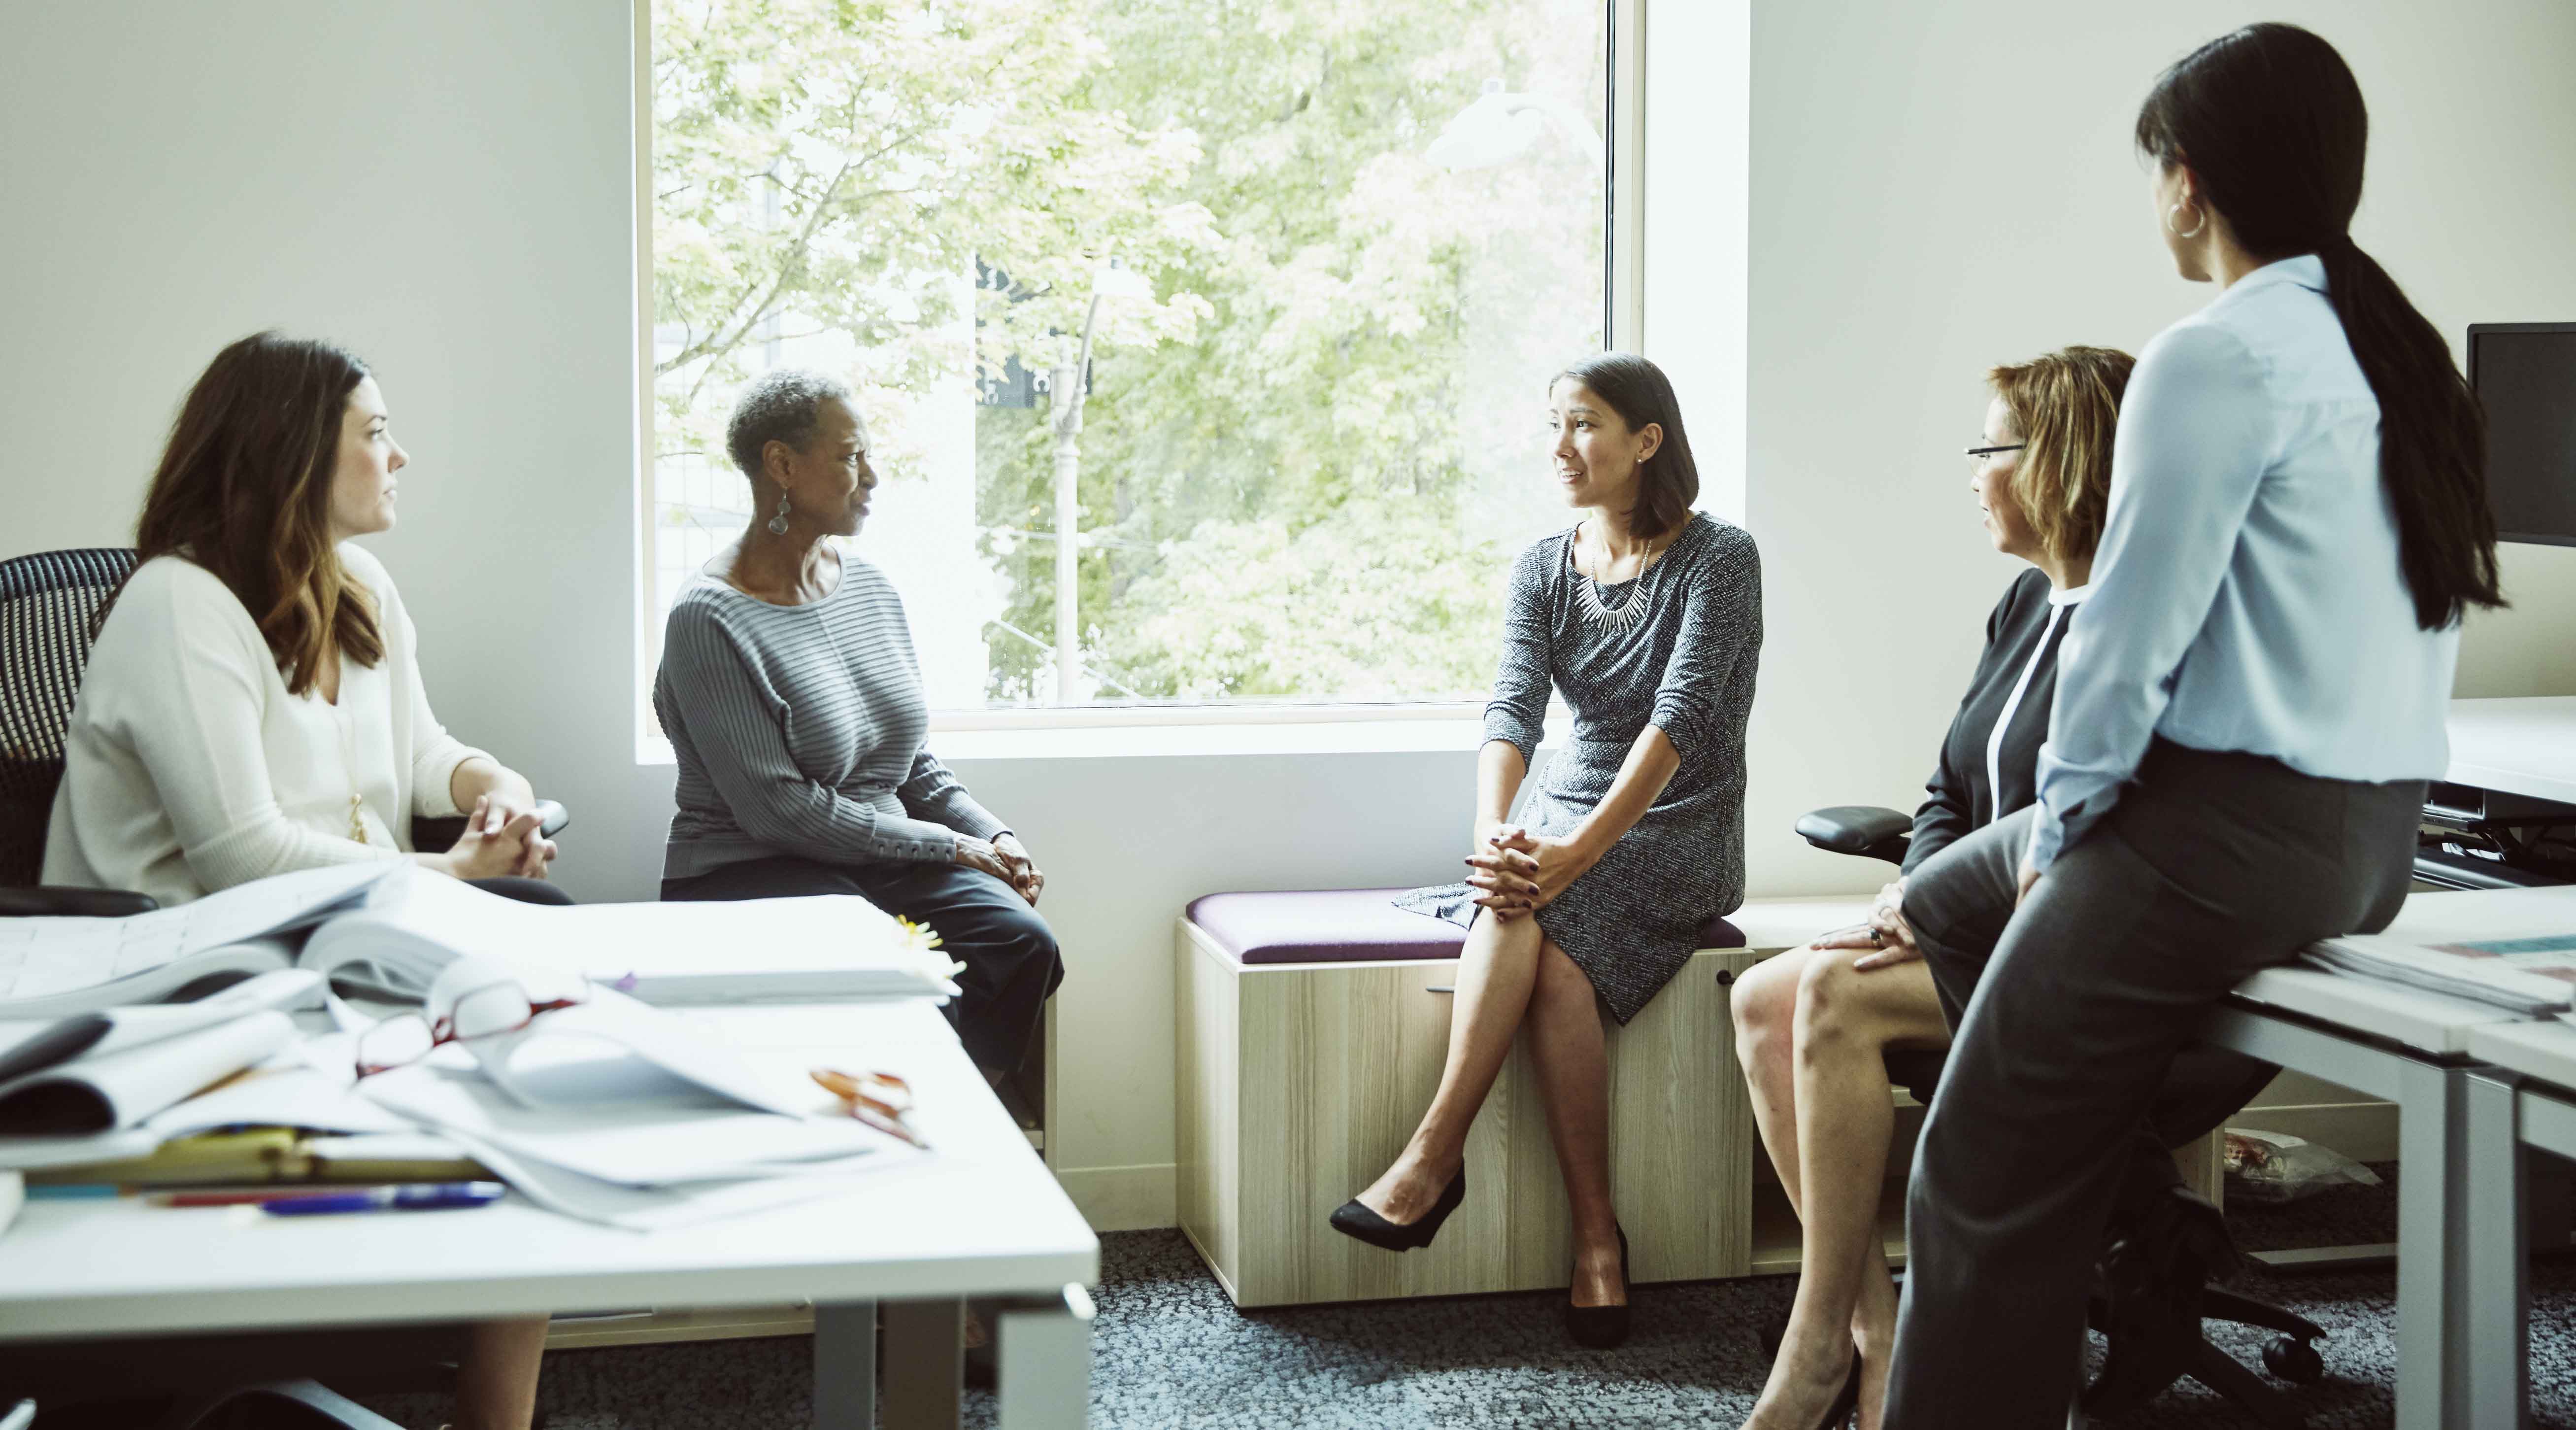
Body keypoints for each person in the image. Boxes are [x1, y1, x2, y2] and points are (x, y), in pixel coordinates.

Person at [1879, 25, 2506, 1429]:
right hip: (2367, 837)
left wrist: (2066, 820)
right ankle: (2112, 1164)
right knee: (1935, 893)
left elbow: (2125, 626)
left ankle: (2054, 1175)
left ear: (2185, 183)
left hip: (2211, 835)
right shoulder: (2392, 357)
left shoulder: (2214, 353)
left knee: (1972, 1170)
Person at [43, 331, 558, 1430]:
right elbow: (242, 853)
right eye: (375, 434)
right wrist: (448, 871)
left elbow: (421, 752)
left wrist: (494, 784)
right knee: (512, 962)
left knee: (535, 997)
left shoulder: (358, 578)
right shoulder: (177, 604)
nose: (400, 456)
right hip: (192, 965)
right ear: (289, 458)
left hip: (328, 933)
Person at [1727, 346, 2132, 1430]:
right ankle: (1874, 1330)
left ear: (2058, 459)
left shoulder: (2135, 617)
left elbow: (2090, 829)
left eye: (1988, 446)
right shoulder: (2026, 601)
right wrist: (1910, 890)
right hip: (1971, 920)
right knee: (1756, 995)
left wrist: (1931, 906)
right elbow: (1946, 788)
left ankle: (1816, 1346)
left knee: (1826, 995)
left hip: (2060, 943)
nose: (1970, 472)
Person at [1329, 352, 1761, 1350]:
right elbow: (1510, 709)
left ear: (1645, 440)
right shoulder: (1541, 565)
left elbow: (1681, 720)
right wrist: (1495, 833)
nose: (1558, 447)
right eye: (1553, 425)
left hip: (1677, 817)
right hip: (1563, 805)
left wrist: (1569, 854)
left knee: (1528, 900)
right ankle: (1595, 1241)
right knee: (1541, 942)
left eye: (1583, 425)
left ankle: (1432, 1156)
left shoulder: (1719, 557)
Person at [656, 369, 1061, 1089]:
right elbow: (780, 811)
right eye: (851, 457)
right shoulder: (709, 618)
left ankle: (947, 1115)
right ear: (780, 465)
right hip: (754, 866)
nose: (871, 477)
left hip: (882, 859)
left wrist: (990, 832)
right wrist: (955, 847)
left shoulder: (869, 586)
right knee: (883, 972)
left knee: (1020, 943)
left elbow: (909, 760)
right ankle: (892, 1123)